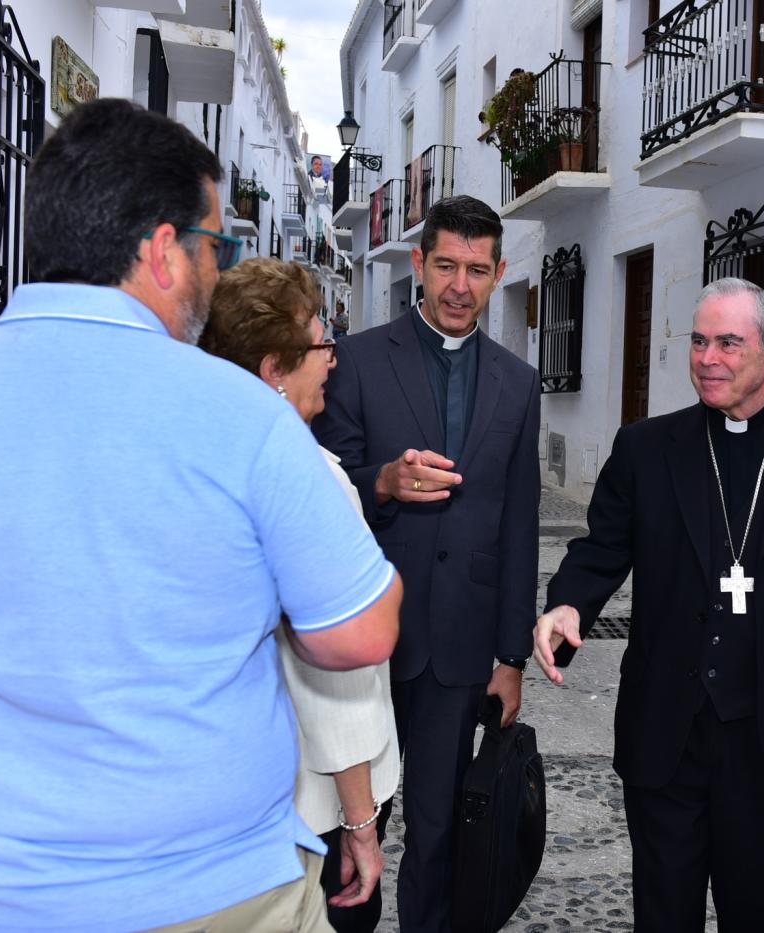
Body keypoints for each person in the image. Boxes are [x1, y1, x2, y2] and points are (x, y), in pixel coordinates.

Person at [0, 99, 402, 933]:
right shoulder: (243, 415)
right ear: (160, 250)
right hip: (206, 892)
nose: (216, 271)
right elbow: (356, 634)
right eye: (214, 244)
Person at [533, 278, 764, 931]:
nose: (708, 357)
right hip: (667, 736)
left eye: (728, 342)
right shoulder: (646, 448)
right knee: (663, 916)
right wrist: (569, 604)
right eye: (698, 341)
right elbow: (600, 548)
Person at [313, 194, 541, 933]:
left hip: (461, 650)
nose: (458, 285)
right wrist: (383, 482)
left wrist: (511, 655)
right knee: (353, 825)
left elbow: (518, 522)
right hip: (366, 645)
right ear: (419, 262)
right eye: (445, 264)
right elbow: (323, 486)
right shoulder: (358, 362)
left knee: (440, 829)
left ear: (498, 271)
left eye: (477, 270)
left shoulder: (518, 381)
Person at [199, 257, 399, 933]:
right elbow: (335, 678)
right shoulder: (304, 477)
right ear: (272, 370)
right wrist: (363, 822)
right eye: (321, 345)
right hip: (304, 812)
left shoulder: (200, 453)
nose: (332, 363)